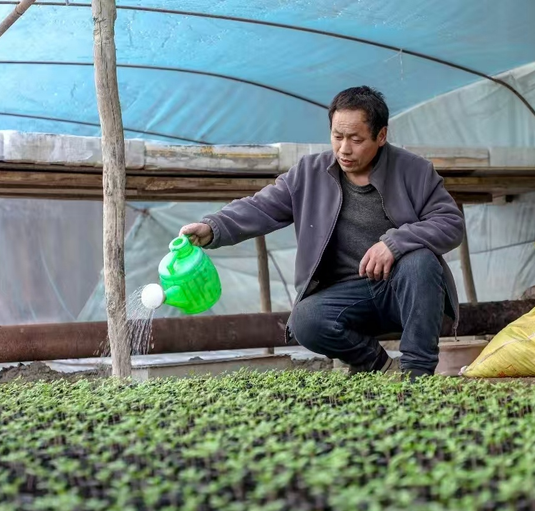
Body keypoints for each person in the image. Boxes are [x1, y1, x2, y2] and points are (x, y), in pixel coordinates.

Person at [180, 86, 464, 380]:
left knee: (420, 261)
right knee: (304, 320)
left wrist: (394, 243)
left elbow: (450, 223)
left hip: (402, 291)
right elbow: (260, 207)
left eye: (356, 139)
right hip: (347, 296)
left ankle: (418, 374)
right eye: (337, 137)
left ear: (381, 136)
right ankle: (379, 366)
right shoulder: (309, 173)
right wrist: (213, 227)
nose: (344, 149)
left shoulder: (414, 171)